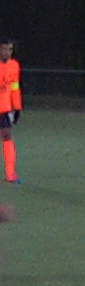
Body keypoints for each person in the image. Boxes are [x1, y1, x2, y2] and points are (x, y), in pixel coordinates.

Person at [0, 37, 21, 184]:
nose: (7, 52)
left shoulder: (14, 65)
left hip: (4, 108)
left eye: (10, 49)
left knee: (7, 136)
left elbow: (14, 87)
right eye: (4, 49)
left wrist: (17, 107)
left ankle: (10, 173)